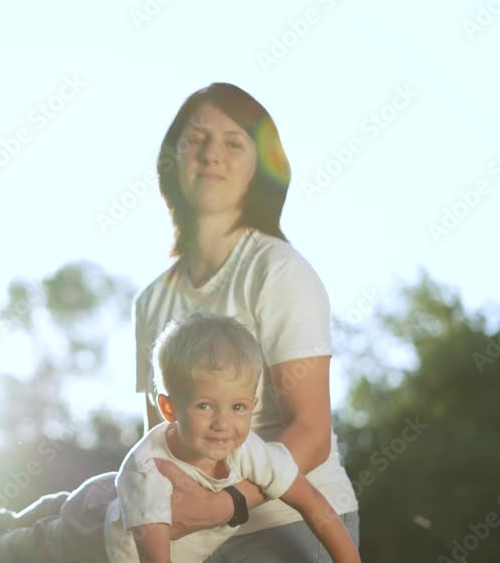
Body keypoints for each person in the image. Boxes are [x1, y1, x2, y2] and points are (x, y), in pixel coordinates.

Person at [132, 82, 360, 562]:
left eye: (234, 143)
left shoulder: (276, 270)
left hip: (290, 522)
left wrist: (227, 503)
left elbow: (312, 432)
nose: (212, 154)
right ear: (172, 158)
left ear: (260, 168)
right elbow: (160, 443)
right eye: (196, 140)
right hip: (197, 535)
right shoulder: (152, 301)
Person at [0, 314, 361, 563]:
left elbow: (315, 506)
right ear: (169, 409)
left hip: (106, 497)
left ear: (251, 405)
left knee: (67, 501)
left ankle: (10, 519)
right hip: (94, 542)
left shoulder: (249, 449)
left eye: (238, 408)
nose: (223, 424)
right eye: (205, 406)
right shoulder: (150, 473)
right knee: (37, 546)